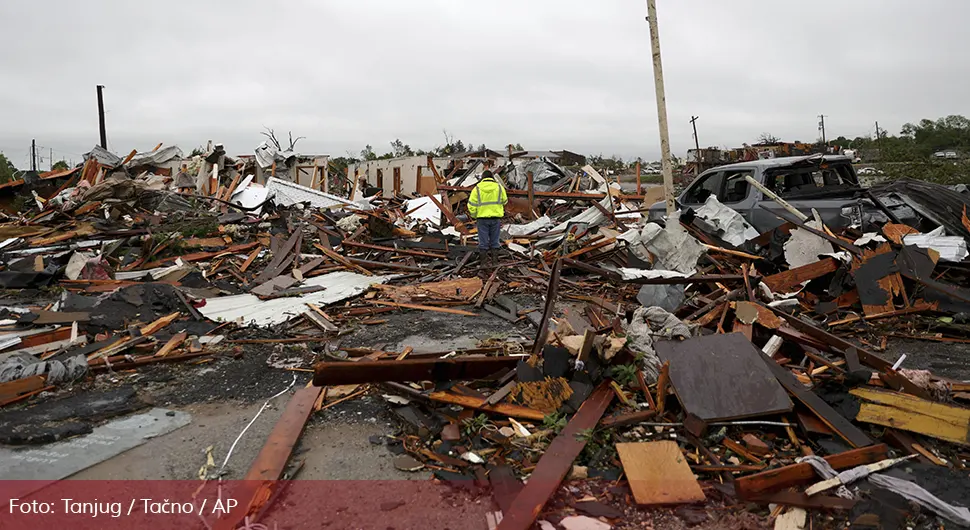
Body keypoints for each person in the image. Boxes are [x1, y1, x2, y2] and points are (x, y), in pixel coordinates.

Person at [467, 170, 508, 268]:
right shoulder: (499, 187)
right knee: (495, 241)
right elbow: (505, 201)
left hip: (482, 219)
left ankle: (483, 264)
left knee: (483, 241)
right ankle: (495, 263)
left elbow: (471, 205)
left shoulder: (476, 189)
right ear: (492, 177)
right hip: (496, 218)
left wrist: (475, 215)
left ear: (483, 178)